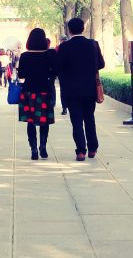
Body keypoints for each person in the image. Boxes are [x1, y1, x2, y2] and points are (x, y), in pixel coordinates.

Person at [58, 17, 105, 161]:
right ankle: (93, 148)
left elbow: (60, 68)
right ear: (83, 28)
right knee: (89, 118)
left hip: (72, 91)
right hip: (90, 89)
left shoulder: (64, 47)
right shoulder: (93, 44)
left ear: (69, 30)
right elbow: (101, 64)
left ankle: (80, 151)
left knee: (76, 121)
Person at [16, 28, 59, 160]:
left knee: (30, 120)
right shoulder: (49, 55)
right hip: (45, 91)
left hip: (28, 91)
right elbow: (55, 72)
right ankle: (43, 147)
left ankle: (33, 149)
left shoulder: (24, 56)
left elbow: (21, 75)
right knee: (44, 121)